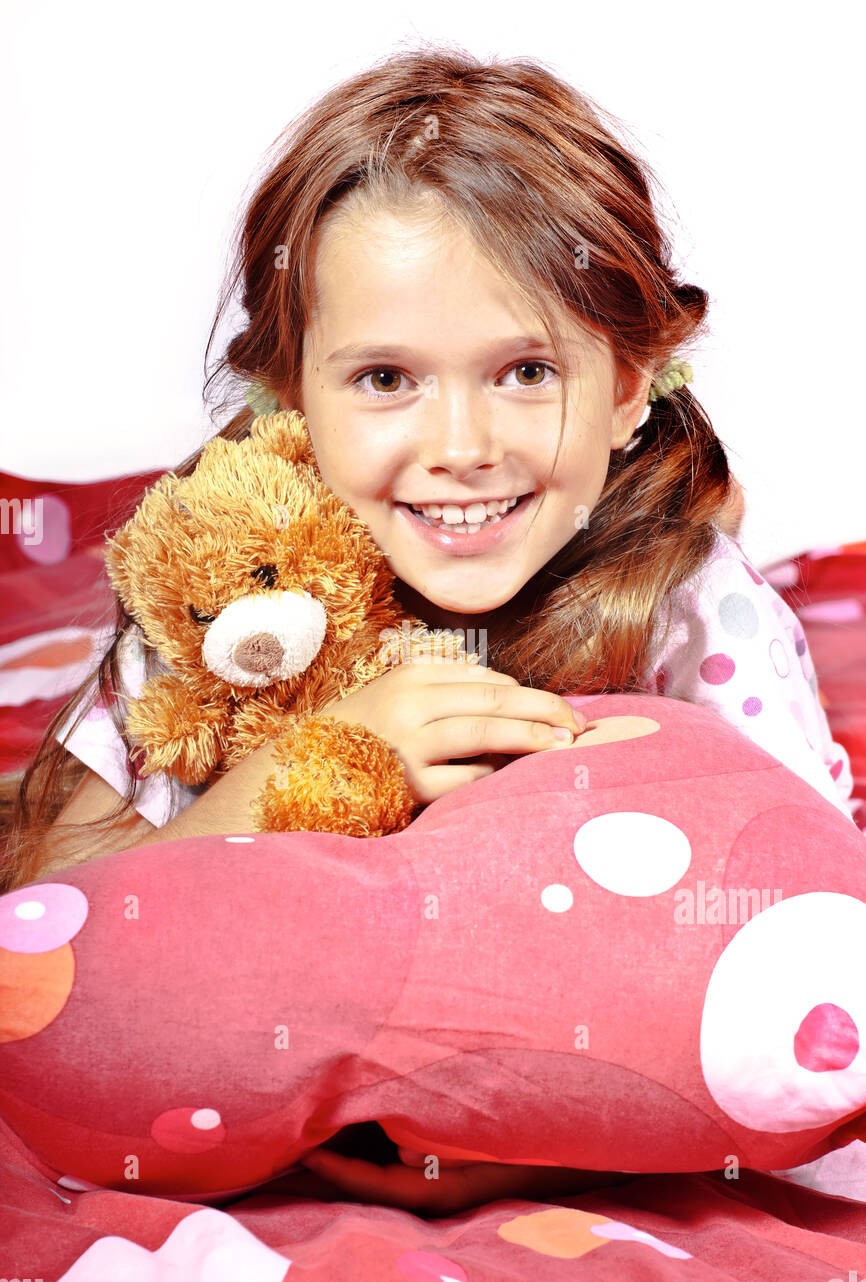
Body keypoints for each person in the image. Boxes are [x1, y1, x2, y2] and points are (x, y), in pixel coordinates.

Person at [2, 47, 856, 1214]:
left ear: (625, 387)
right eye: (386, 378)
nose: (460, 443)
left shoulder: (684, 601)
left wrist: (549, 1139)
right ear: (285, 399)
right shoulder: (234, 603)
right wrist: (301, 765)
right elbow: (50, 943)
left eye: (523, 371)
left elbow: (809, 926)